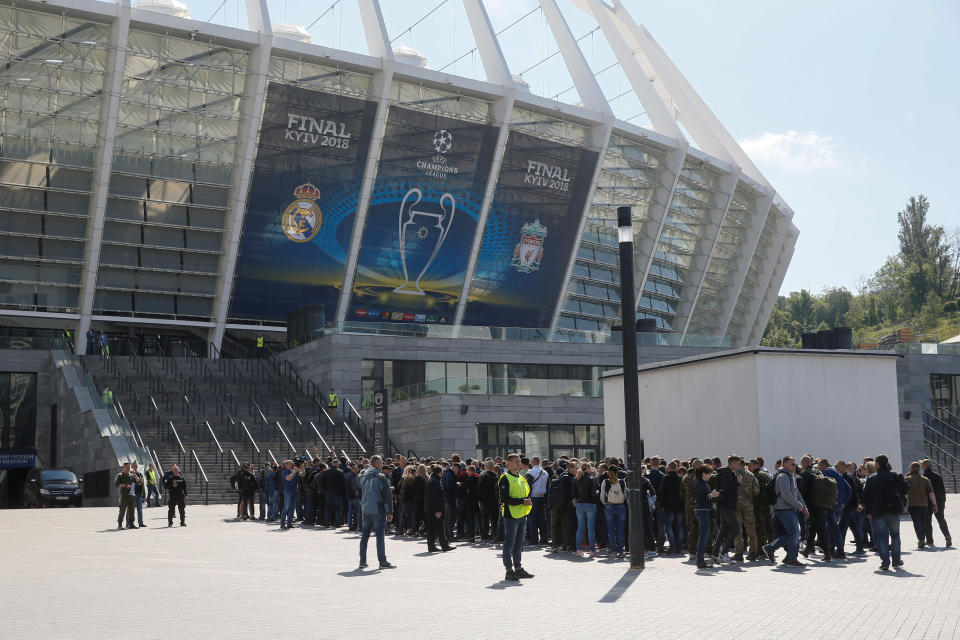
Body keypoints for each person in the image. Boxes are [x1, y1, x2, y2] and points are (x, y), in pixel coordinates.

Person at [862, 454, 908, 570]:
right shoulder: (896, 475)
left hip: (877, 511)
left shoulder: (872, 478)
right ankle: (896, 561)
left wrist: (868, 511)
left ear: (877, 464)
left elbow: (865, 496)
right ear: (887, 463)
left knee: (881, 537)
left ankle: (885, 562)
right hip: (893, 510)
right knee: (895, 535)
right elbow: (906, 488)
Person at [762, 456, 808, 567]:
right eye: (792, 464)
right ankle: (788, 558)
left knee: (790, 535)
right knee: (794, 535)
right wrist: (799, 506)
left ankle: (788, 557)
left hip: (787, 510)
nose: (795, 466)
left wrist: (804, 507)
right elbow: (786, 495)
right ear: (785, 464)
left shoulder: (791, 476)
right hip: (784, 510)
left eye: (795, 464)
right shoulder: (783, 476)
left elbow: (796, 493)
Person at [499, 453, 533, 581]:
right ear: (509, 463)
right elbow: (504, 498)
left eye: (519, 461)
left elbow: (527, 492)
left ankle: (518, 568)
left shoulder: (521, 477)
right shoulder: (505, 478)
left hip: (522, 514)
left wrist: (527, 500)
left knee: (519, 544)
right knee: (509, 544)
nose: (519, 464)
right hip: (511, 515)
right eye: (516, 462)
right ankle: (509, 570)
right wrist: (522, 501)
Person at [358, 455, 395, 570]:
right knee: (380, 536)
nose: (382, 464)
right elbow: (387, 496)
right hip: (378, 509)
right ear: (377, 463)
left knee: (365, 536)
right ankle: (382, 562)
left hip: (366, 509)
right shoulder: (381, 477)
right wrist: (389, 512)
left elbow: (360, 493)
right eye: (381, 462)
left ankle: (362, 561)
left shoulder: (363, 476)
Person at [712, 455, 743, 563]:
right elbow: (726, 488)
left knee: (724, 530)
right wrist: (737, 483)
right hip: (727, 506)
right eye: (738, 463)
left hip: (726, 505)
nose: (739, 465)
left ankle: (716, 554)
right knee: (735, 529)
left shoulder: (729, 473)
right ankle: (724, 553)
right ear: (732, 463)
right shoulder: (726, 473)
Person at [905, 461, 937, 549]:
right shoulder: (925, 479)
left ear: (911, 469)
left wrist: (905, 477)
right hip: (924, 505)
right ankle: (924, 538)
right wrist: (934, 504)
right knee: (923, 522)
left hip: (913, 505)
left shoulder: (908, 479)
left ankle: (921, 539)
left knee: (917, 523)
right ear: (919, 469)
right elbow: (931, 493)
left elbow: (903, 488)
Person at [693, 464, 720, 569]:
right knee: (703, 537)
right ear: (704, 474)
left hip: (703, 510)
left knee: (704, 536)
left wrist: (711, 495)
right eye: (709, 474)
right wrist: (711, 496)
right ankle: (700, 561)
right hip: (702, 511)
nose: (710, 476)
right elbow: (701, 499)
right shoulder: (700, 484)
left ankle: (700, 560)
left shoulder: (701, 482)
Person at [733, 461, 759, 562]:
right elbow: (756, 491)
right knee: (751, 529)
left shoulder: (733, 474)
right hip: (748, 506)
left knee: (737, 530)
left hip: (735, 506)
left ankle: (739, 553)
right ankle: (752, 553)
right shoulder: (751, 475)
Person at [922, 459, 952, 547]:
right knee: (941, 520)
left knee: (927, 521)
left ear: (924, 466)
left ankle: (930, 540)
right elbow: (942, 490)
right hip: (939, 501)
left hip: (928, 502)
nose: (921, 466)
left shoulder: (924, 477)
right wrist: (943, 502)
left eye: (922, 464)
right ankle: (947, 536)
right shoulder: (938, 476)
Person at [424, 465, 454, 553]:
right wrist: (438, 510)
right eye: (442, 473)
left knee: (431, 529)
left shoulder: (431, 480)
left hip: (430, 509)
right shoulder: (435, 482)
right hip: (435, 510)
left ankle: (431, 546)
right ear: (439, 473)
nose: (442, 475)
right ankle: (445, 546)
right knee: (440, 528)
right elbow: (436, 497)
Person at [600, 465, 627, 558]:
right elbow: (625, 496)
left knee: (611, 530)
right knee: (620, 530)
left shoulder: (605, 482)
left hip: (609, 507)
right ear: (617, 472)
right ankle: (621, 551)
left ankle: (613, 550)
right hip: (621, 507)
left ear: (608, 472)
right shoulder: (622, 482)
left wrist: (606, 504)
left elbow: (602, 496)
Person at [657, 461, 684, 554]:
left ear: (668, 468)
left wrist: (662, 505)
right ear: (677, 468)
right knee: (679, 526)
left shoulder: (666, 478)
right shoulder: (680, 478)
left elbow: (662, 493)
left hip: (668, 506)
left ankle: (672, 546)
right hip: (679, 506)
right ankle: (679, 547)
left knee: (669, 526)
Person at [573, 463, 598, 557]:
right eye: (590, 467)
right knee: (590, 528)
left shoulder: (577, 479)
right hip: (590, 504)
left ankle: (579, 550)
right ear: (587, 468)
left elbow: (574, 494)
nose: (591, 469)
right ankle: (592, 550)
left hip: (579, 504)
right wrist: (597, 492)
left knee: (580, 528)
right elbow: (593, 494)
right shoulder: (591, 479)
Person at [525, 457, 549, 546]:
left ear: (533, 462)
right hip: (542, 497)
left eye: (531, 461)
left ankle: (533, 541)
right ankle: (544, 540)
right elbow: (547, 486)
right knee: (542, 519)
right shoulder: (545, 472)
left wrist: (527, 497)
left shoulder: (530, 472)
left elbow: (528, 486)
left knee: (532, 519)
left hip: (533, 497)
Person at [115, 463, 136, 530]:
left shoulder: (131, 475)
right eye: (127, 467)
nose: (128, 468)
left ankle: (131, 524)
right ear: (124, 467)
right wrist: (125, 485)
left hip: (131, 495)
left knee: (132, 510)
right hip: (123, 496)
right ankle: (120, 524)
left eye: (129, 467)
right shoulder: (120, 475)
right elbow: (117, 484)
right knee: (122, 510)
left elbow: (136, 482)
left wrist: (137, 478)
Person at [280, 459, 298, 530]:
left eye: (290, 463)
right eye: (287, 463)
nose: (288, 464)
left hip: (294, 491)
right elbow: (288, 478)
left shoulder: (294, 471)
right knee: (286, 507)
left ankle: (289, 523)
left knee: (292, 508)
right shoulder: (284, 471)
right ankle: (282, 524)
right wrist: (295, 472)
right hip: (287, 491)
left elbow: (302, 475)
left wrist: (301, 467)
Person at [130, 462, 146, 528]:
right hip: (132, 494)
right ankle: (129, 523)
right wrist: (137, 481)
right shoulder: (129, 474)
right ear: (131, 466)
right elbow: (131, 483)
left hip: (139, 493)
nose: (135, 467)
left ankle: (141, 523)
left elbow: (141, 483)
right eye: (134, 466)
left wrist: (144, 495)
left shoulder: (140, 474)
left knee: (139, 509)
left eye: (136, 465)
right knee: (130, 509)